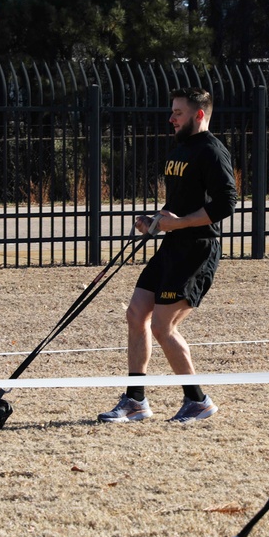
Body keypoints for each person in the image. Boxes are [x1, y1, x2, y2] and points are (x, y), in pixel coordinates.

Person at [98, 87, 238, 424]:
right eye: (172, 111)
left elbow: (226, 203)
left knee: (162, 325)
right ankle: (135, 401)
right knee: (136, 313)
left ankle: (198, 401)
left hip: (197, 250)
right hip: (172, 246)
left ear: (198, 114)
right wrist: (157, 222)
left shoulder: (212, 152)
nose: (171, 118)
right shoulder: (181, 149)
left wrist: (181, 224)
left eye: (178, 112)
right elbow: (178, 202)